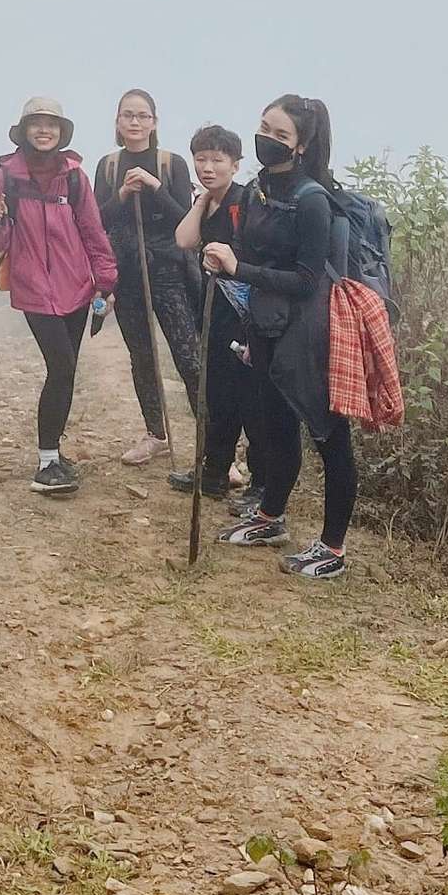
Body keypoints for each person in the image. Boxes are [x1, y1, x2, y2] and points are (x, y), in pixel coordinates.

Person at [197, 94, 357, 580]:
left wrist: (238, 266)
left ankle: (333, 548)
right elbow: (249, 256)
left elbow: (309, 280)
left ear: (302, 145)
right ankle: (271, 516)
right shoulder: (259, 189)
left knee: (330, 437)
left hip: (310, 335)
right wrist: (226, 263)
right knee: (275, 426)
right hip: (264, 326)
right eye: (264, 127)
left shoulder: (312, 201)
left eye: (280, 134)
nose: (267, 138)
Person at [0, 97, 117, 496]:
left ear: (61, 132)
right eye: (37, 124)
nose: (44, 130)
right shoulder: (4, 179)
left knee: (67, 369)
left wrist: (106, 281)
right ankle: (46, 463)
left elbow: (92, 230)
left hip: (76, 286)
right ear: (23, 131)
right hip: (33, 287)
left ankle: (53, 452)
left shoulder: (74, 177)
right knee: (61, 367)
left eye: (51, 125)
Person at [94, 89, 200, 466]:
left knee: (189, 359)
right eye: (128, 115)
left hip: (168, 271)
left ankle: (213, 444)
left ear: (154, 122)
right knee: (142, 357)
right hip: (127, 273)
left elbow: (185, 220)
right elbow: (98, 222)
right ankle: (156, 434)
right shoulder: (108, 166)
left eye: (143, 116)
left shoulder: (171, 163)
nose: (135, 122)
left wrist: (154, 186)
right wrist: (123, 191)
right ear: (118, 122)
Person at [170, 124, 263, 505]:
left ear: (235, 164)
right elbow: (184, 240)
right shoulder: (207, 201)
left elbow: (252, 256)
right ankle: (213, 472)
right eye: (201, 159)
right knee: (217, 393)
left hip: (244, 313)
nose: (207, 167)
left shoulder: (247, 201)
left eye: (217, 160)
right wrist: (200, 201)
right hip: (214, 309)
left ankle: (260, 485)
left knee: (246, 399)